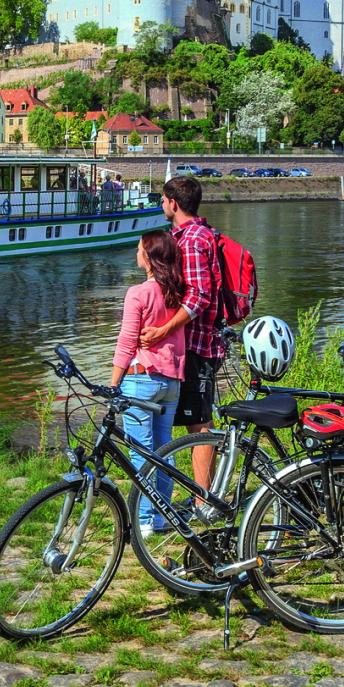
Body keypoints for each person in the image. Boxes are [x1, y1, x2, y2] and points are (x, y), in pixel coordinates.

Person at [139, 176, 229, 508]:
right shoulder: (195, 235)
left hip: (198, 345)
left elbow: (200, 297)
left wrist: (163, 331)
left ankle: (204, 502)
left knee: (199, 424)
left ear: (173, 204)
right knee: (194, 421)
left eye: (163, 201)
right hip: (192, 345)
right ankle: (203, 496)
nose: (162, 206)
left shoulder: (192, 241)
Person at [114, 229, 189, 538]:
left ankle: (144, 521)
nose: (136, 254)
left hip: (141, 380)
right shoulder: (177, 291)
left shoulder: (138, 293)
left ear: (148, 257)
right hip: (172, 381)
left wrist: (113, 383)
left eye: (138, 249)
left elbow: (127, 341)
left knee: (141, 455)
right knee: (164, 450)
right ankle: (161, 518)